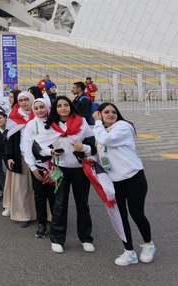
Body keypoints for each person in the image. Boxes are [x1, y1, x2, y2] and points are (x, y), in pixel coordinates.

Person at [92, 103, 155, 266]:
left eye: (113, 112)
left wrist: (97, 122)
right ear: (100, 113)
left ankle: (148, 244)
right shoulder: (101, 131)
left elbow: (107, 140)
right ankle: (129, 251)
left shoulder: (123, 126)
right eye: (106, 112)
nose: (110, 114)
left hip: (134, 177)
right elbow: (98, 152)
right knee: (120, 217)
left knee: (137, 213)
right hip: (114, 181)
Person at [36, 96, 94, 254]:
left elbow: (93, 144)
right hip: (60, 169)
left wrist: (84, 148)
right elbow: (39, 146)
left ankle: (86, 238)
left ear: (71, 106)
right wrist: (51, 151)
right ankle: (57, 238)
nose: (63, 108)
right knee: (60, 204)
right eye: (59, 105)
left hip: (80, 169)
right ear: (55, 108)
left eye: (66, 105)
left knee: (83, 204)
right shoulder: (50, 125)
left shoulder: (81, 122)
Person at [20, 98, 56, 239]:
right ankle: (41, 223)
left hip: (55, 167)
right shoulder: (31, 124)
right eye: (37, 108)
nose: (40, 110)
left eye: (42, 107)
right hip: (37, 166)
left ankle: (56, 222)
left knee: (54, 196)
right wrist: (33, 167)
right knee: (40, 196)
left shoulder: (55, 123)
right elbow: (27, 147)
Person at [3, 91, 37, 227]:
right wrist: (9, 156)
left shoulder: (41, 114)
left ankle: (40, 215)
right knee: (21, 188)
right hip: (21, 155)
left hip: (39, 157)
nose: (23, 102)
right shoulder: (14, 117)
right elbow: (9, 140)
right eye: (21, 100)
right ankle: (23, 215)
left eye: (26, 100)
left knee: (39, 188)